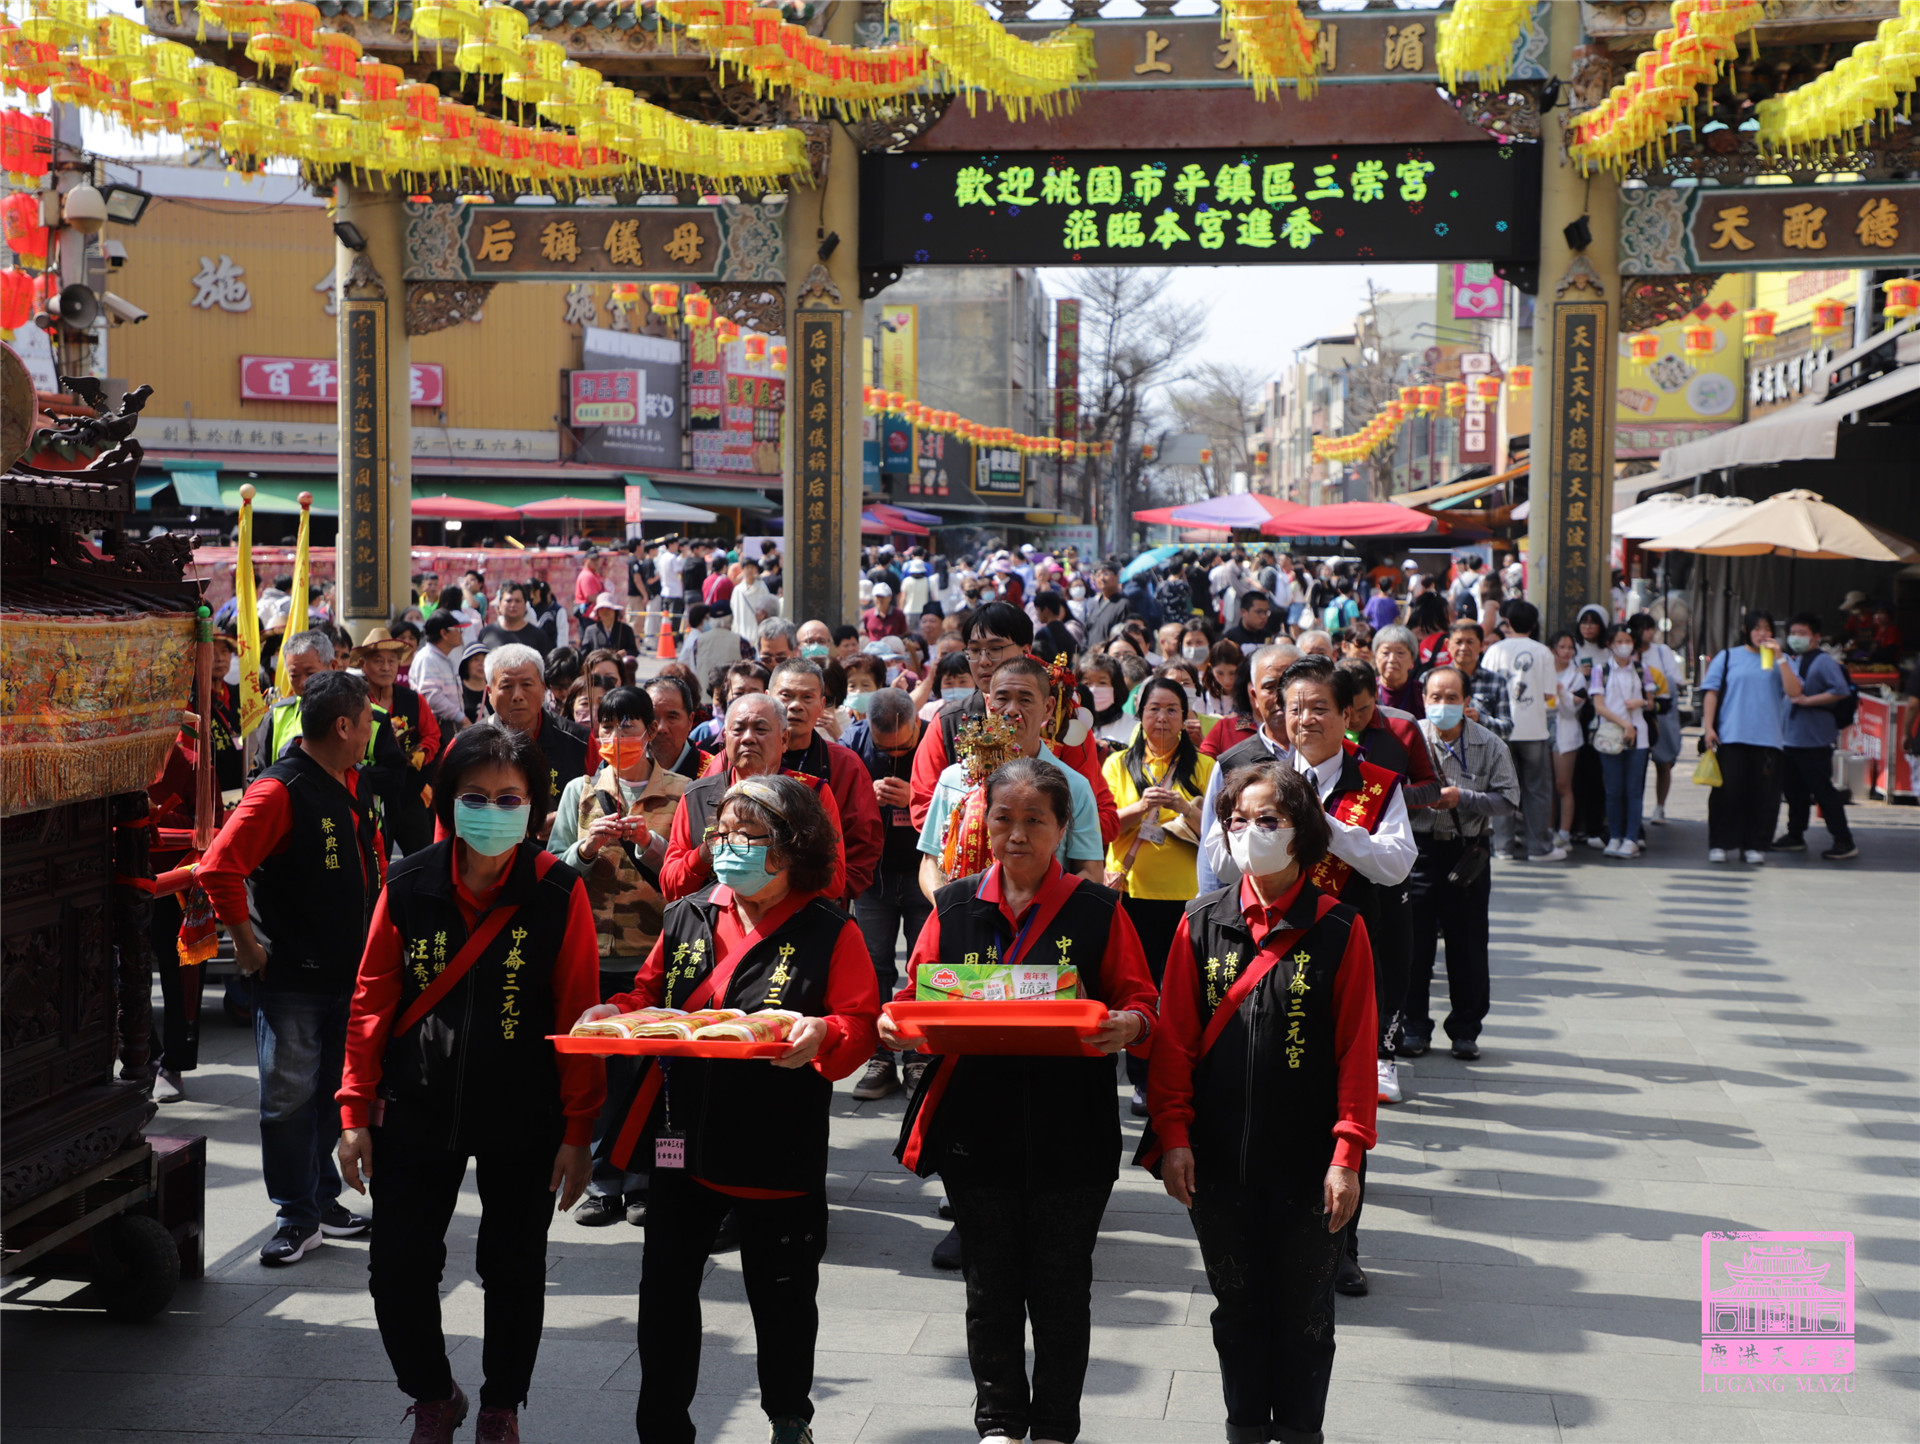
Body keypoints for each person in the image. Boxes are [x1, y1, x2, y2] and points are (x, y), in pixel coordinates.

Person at [576, 775, 879, 1444]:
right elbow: (649, 996)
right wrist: (612, 1012)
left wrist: (826, 1032)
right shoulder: (686, 914)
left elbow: (860, 1022)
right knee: (664, 1294)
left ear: (793, 847)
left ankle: (788, 1418)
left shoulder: (830, 929)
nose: (728, 846)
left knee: (783, 1297)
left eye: (749, 835)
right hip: (680, 1134)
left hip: (778, 1140)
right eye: (723, 833)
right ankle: (662, 1428)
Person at [335, 722, 602, 1443]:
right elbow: (371, 1001)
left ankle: (500, 1407)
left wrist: (579, 1130)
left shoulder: (559, 891)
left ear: (534, 808)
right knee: (397, 1265)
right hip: (417, 1104)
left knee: (513, 1268)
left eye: (508, 798)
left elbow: (579, 1014)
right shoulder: (408, 882)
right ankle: (433, 1394)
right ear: (449, 802)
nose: (491, 810)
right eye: (475, 796)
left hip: (524, 1110)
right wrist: (354, 1112)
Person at [883, 758, 1157, 1444]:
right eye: (1003, 818)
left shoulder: (1098, 910)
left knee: (1062, 1290)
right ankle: (999, 1422)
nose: (1017, 835)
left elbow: (1142, 1000)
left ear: (1064, 828)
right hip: (976, 1128)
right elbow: (913, 995)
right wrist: (894, 1024)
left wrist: (1130, 1025)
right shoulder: (954, 906)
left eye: (1035, 820)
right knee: (989, 1287)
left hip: (1074, 1130)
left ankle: (1056, 1426)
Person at [1139, 761, 1376, 1444]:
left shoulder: (1341, 928)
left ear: (1303, 831)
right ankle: (1244, 1428)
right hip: (1217, 1159)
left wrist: (1347, 1154)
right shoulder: (1200, 922)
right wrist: (1173, 1136)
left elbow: (1357, 1050)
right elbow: (1174, 1041)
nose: (1250, 832)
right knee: (1236, 1310)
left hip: (1310, 1163)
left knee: (1306, 1315)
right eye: (1237, 820)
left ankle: (1300, 1431)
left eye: (1268, 819)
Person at [194, 671, 384, 1264]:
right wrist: (246, 945)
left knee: (330, 1096)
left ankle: (321, 1200)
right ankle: (295, 1215)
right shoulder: (278, 789)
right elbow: (218, 868)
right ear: (343, 726)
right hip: (294, 980)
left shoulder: (351, 780)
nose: (371, 732)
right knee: (287, 1100)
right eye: (367, 721)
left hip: (349, 974)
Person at [548, 686, 691, 1228]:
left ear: (650, 731)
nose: (616, 737)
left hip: (654, 956)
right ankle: (603, 1181)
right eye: (606, 727)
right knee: (600, 1072)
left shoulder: (682, 792)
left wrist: (649, 845)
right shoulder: (580, 792)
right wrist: (584, 849)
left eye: (628, 726)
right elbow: (554, 871)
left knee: (652, 1074)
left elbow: (690, 875)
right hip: (592, 955)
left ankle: (645, 1181)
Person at [909, 601, 1119, 846]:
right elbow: (924, 808)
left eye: (995, 648)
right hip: (967, 862)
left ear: (1025, 651)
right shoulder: (948, 722)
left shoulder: (1063, 722)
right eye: (974, 650)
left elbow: (1096, 816)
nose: (983, 661)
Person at [1102, 677, 1215, 1115]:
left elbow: (1222, 831)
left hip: (1190, 898)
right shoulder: (1117, 764)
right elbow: (1104, 825)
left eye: (1172, 710)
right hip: (1133, 894)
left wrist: (1185, 807)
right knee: (1140, 992)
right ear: (1140, 715)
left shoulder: (1204, 766)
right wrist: (1141, 806)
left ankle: (1184, 1077)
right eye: (1154, 709)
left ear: (1186, 717)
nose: (1162, 718)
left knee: (1185, 994)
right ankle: (1143, 1081)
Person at [1406, 666, 1519, 1060]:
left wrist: (1464, 798)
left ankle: (1466, 1030)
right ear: (1424, 699)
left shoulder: (1490, 744)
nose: (1443, 704)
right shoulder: (1409, 738)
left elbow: (1509, 799)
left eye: (1452, 698)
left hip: (1467, 851)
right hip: (1417, 850)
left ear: (1466, 701)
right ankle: (1413, 1026)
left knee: (1468, 942)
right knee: (1414, 942)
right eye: (1436, 697)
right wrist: (1422, 797)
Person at [660, 692, 845, 900]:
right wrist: (706, 852)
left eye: (761, 729)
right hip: (711, 917)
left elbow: (833, 883)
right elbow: (671, 887)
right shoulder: (696, 796)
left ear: (784, 739)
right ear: (725, 738)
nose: (748, 738)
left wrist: (774, 854)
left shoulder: (811, 793)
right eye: (738, 729)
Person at [843, 688, 930, 1101]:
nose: (894, 755)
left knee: (924, 968)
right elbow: (837, 800)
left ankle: (918, 1055)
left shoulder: (935, 741)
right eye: (885, 749)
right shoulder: (853, 744)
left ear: (917, 724)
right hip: (873, 878)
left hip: (923, 873)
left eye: (903, 747)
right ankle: (880, 1057)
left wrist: (917, 797)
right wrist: (866, 792)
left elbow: (963, 798)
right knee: (875, 969)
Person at [764, 658, 884, 901]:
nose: (795, 706)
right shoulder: (741, 757)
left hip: (820, 901)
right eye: (786, 696)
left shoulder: (845, 764)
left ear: (822, 705)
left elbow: (864, 841)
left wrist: (835, 892)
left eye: (807, 698)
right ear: (767, 699)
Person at [1701, 610, 1803, 864]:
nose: (1762, 634)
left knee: (1763, 795)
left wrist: (1780, 658)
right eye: (1757, 628)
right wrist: (1709, 727)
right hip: (1731, 735)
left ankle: (1755, 844)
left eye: (1767, 629)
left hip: (1768, 738)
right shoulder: (1728, 657)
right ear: (1746, 630)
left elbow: (1794, 691)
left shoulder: (1781, 660)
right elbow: (1711, 692)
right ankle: (1720, 842)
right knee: (1727, 792)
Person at [1480, 601, 1563, 862]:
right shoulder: (1543, 652)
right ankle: (1538, 847)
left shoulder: (1494, 650)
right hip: (1534, 729)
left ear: (1507, 623)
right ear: (1534, 624)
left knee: (1502, 789)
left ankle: (1503, 846)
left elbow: (1486, 688)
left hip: (1500, 730)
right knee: (1537, 791)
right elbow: (1549, 694)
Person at [1774, 613, 1858, 860]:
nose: (1796, 638)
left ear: (1815, 637)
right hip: (1791, 737)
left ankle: (1843, 839)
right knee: (1794, 791)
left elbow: (1840, 690)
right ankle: (1795, 834)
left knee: (1822, 790)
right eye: (1793, 633)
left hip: (1814, 739)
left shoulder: (1823, 662)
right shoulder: (1795, 660)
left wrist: (1808, 701)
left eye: (1802, 633)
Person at [353, 625, 441, 858]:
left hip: (408, 790)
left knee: (423, 855)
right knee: (372, 856)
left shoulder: (413, 699)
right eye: (378, 661)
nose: (386, 667)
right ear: (363, 664)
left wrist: (417, 757)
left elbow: (433, 735)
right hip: (368, 791)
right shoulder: (354, 702)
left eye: (392, 661)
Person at [485, 644, 590, 826]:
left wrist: (567, 821)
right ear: (489, 693)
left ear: (543, 688)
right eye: (506, 686)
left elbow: (603, 802)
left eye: (527, 685)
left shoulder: (580, 741)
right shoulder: (468, 745)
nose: (517, 696)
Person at [1589, 623, 1655, 860]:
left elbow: (1652, 701)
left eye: (1628, 641)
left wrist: (1642, 703)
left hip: (1639, 736)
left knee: (1633, 790)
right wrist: (1625, 724)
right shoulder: (1601, 670)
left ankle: (1631, 838)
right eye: (1619, 641)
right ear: (1610, 644)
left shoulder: (1642, 669)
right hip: (1611, 735)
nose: (1624, 646)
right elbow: (1599, 706)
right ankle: (1615, 835)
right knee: (1613, 790)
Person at [1629, 612, 1685, 828]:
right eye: (1645, 629)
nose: (1650, 633)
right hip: (1635, 714)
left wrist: (1653, 681)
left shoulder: (1662, 651)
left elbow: (1676, 680)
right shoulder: (1628, 652)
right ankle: (1636, 809)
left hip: (1661, 712)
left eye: (1652, 628)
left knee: (1664, 761)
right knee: (1636, 764)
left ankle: (1660, 806)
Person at [1547, 631, 1587, 850]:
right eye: (1562, 647)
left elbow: (1572, 710)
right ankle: (1548, 830)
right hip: (1543, 730)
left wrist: (1562, 692)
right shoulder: (1544, 671)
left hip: (1565, 732)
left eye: (1570, 647)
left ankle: (1564, 832)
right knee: (1546, 784)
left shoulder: (1577, 676)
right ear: (1552, 649)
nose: (1566, 652)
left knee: (1563, 784)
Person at [409, 611, 469, 737]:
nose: (461, 633)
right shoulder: (427, 658)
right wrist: (461, 717)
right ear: (444, 633)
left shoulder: (443, 658)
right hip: (438, 727)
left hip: (448, 725)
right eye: (457, 630)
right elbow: (432, 696)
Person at [644, 675, 710, 780]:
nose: (661, 728)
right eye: (653, 717)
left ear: (690, 720)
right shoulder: (624, 769)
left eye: (672, 717)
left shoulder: (713, 770)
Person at [477, 582, 553, 655]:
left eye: (517, 601)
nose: (513, 605)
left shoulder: (539, 637)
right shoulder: (486, 633)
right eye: (508, 601)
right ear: (499, 605)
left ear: (525, 605)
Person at [1373, 624, 1424, 719]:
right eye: (1385, 653)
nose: (1392, 659)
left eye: (1400, 653)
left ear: (1412, 660)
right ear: (1376, 657)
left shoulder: (1422, 694)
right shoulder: (1367, 690)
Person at [1084, 562, 1134, 648]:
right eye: (1098, 575)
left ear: (1117, 576)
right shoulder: (1097, 604)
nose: (1102, 578)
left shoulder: (1124, 604)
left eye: (1106, 574)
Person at [730, 555, 775, 641]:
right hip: (741, 629)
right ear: (743, 570)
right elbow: (734, 608)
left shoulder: (762, 587)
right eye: (747, 567)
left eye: (752, 567)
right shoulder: (738, 590)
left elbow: (767, 607)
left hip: (757, 629)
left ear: (756, 569)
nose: (750, 570)